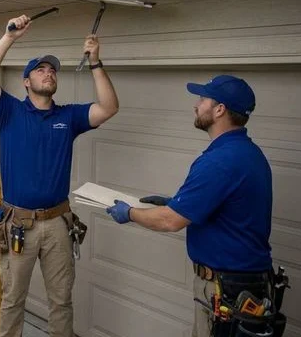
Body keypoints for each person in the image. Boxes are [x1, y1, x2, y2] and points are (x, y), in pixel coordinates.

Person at [0, 14, 119, 337]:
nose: (49, 73)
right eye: (40, 69)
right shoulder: (9, 111)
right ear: (26, 82)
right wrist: (9, 36)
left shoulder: (68, 117)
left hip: (57, 224)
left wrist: (95, 63)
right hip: (17, 224)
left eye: (52, 70)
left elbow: (109, 107)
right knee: (12, 300)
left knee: (61, 301)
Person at [106, 75, 280, 337]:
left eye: (202, 99)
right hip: (245, 282)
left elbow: (170, 221)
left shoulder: (220, 160)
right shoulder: (249, 153)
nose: (196, 105)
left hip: (228, 289)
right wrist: (177, 203)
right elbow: (229, 207)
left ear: (219, 109)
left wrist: (129, 213)